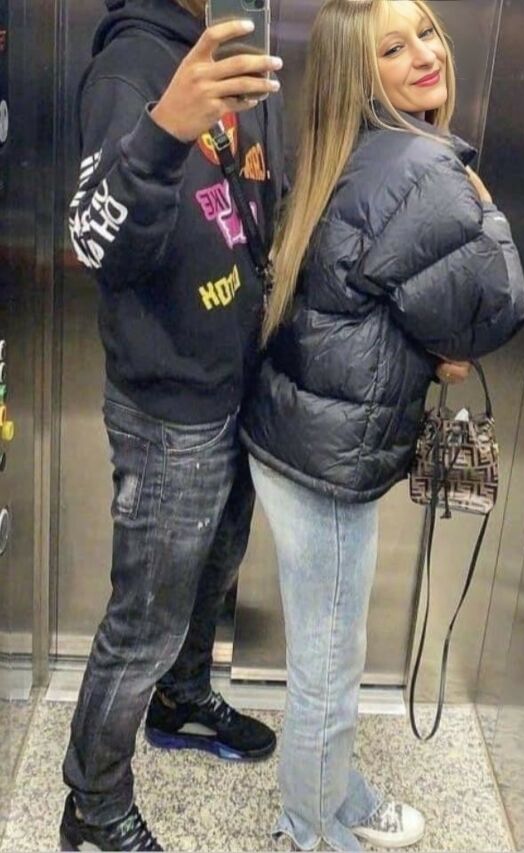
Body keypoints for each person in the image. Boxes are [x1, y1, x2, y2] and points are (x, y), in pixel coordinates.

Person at [240, 0, 524, 850]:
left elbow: (381, 297)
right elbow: (495, 308)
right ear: (358, 74)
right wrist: (483, 200)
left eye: (426, 34)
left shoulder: (349, 146)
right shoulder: (425, 166)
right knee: (328, 668)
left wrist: (429, 345)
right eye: (393, 49)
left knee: (329, 648)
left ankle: (339, 795)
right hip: (329, 459)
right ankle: (307, 830)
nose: (424, 56)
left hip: (296, 435)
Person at [60, 0, 286, 849]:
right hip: (168, 406)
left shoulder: (230, 47)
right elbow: (95, 245)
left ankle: (183, 696)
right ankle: (93, 805)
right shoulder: (129, 70)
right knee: (145, 619)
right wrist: (161, 133)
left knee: (212, 572)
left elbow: (247, 204)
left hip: (235, 379)